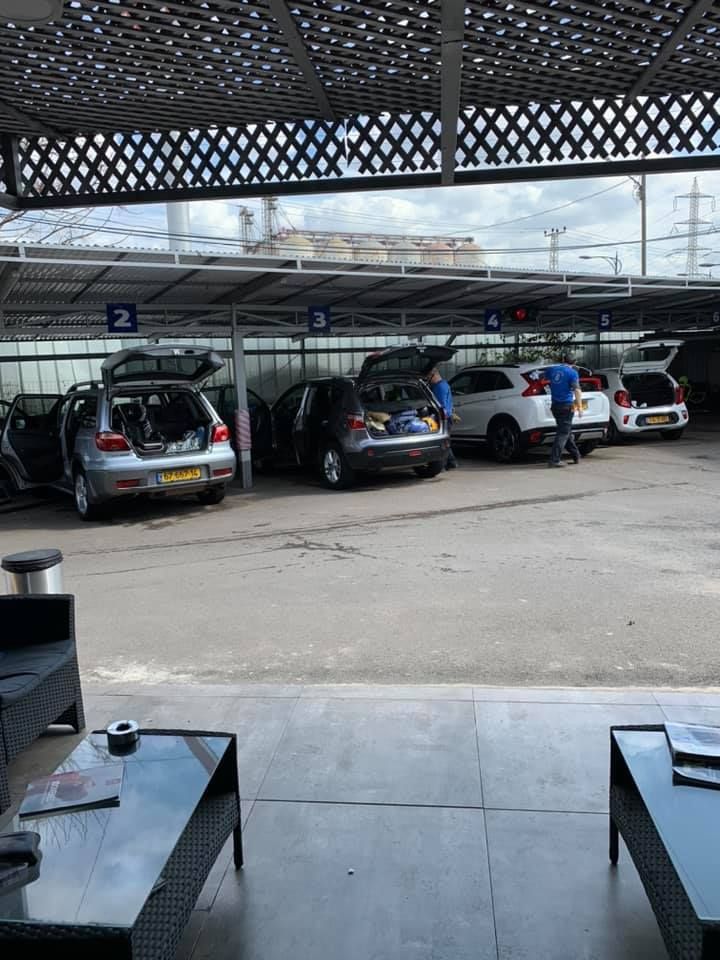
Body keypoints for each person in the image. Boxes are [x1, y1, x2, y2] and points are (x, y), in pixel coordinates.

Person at [546, 354, 583, 467]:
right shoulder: (572, 373)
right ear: (575, 362)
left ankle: (576, 455)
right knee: (563, 433)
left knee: (565, 431)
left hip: (555, 406)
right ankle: (554, 460)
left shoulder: (552, 369)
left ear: (562, 360)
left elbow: (540, 376)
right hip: (566, 406)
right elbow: (577, 390)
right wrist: (580, 407)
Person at [427, 367, 457, 470]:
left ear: (434, 375)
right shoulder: (444, 384)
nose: (428, 380)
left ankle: (445, 464)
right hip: (447, 417)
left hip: (443, 418)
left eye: (429, 377)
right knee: (445, 441)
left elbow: (441, 405)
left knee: (443, 443)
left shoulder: (439, 387)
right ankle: (451, 462)